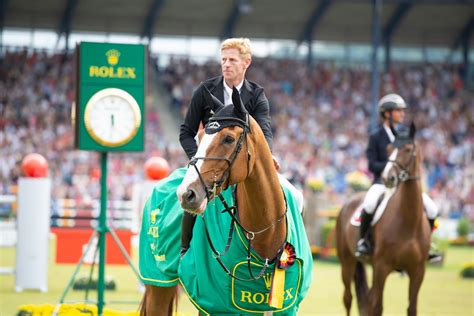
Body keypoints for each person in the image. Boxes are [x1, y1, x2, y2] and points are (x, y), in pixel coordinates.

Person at [179, 37, 281, 257]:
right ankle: (184, 251)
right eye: (223, 59)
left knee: (294, 196)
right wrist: (197, 158)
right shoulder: (205, 90)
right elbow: (186, 133)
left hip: (242, 165)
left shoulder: (256, 95)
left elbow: (264, 131)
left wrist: (268, 156)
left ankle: (290, 251)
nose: (226, 64)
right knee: (190, 197)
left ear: (246, 63)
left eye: (232, 60)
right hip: (205, 164)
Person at [355, 93, 441, 262]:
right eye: (398, 111)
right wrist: (390, 168)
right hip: (382, 184)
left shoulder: (405, 135)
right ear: (387, 113)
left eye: (403, 111)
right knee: (370, 203)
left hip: (404, 187)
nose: (402, 114)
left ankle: (427, 244)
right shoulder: (376, 136)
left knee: (432, 208)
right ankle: (364, 241)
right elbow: (372, 165)